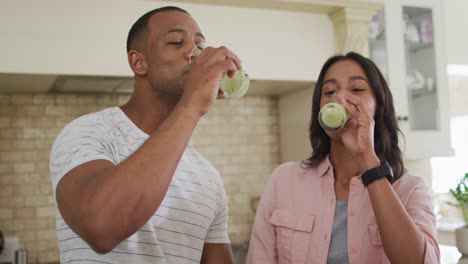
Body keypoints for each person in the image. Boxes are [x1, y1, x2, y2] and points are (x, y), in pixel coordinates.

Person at [49, 6, 241, 264]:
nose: (196, 55)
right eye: (176, 42)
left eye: (200, 45)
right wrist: (192, 105)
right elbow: (101, 228)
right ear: (139, 62)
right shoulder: (87, 133)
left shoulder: (207, 175)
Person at [246, 52, 440, 264]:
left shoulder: (411, 190)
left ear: (379, 105)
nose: (341, 99)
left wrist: (367, 156)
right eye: (329, 91)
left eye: (356, 89)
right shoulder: (283, 180)